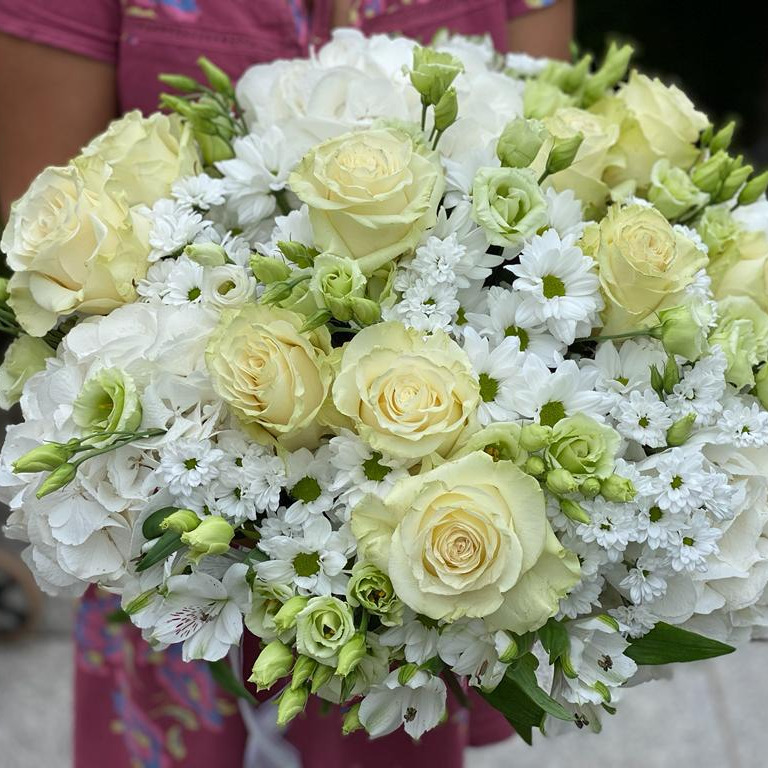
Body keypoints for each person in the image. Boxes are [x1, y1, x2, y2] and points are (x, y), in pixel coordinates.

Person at [0, 2, 574, 767]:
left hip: (423, 515)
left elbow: (550, 190)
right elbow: (46, 242)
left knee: (383, 720)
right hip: (173, 486)